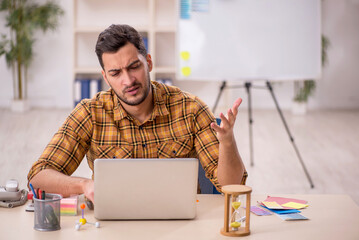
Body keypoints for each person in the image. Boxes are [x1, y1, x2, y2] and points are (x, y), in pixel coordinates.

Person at [28, 24, 247, 203]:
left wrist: (227, 142)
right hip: (113, 224)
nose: (128, 80)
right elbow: (39, 175)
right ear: (106, 77)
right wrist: (84, 185)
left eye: (134, 67)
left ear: (148, 62)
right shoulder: (90, 113)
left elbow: (230, 187)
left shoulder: (190, 108)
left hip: (181, 222)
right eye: (116, 73)